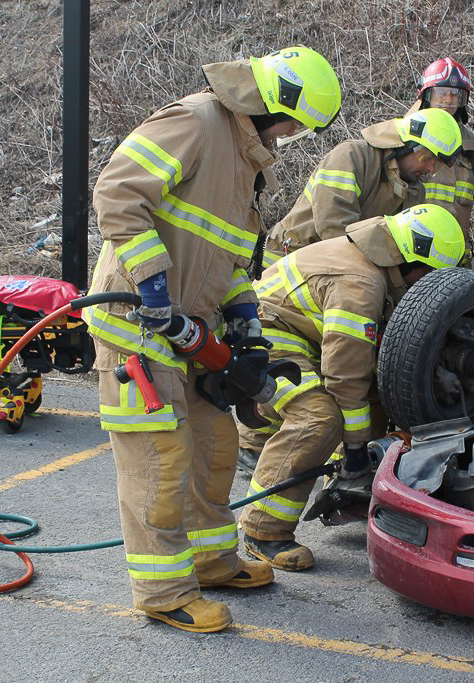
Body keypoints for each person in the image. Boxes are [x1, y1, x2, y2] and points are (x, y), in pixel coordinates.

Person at [84, 46, 341, 633]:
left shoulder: (246, 160)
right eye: (294, 123)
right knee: (160, 461)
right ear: (272, 103)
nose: (292, 135)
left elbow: (227, 261)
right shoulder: (196, 122)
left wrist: (247, 328)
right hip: (136, 327)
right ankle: (164, 592)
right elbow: (118, 193)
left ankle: (211, 560)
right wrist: (152, 289)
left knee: (215, 447)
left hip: (191, 329)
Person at [237, 204, 465, 571]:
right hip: (264, 341)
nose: (425, 286)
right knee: (318, 419)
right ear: (412, 259)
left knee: (376, 394)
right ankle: (263, 530)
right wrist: (356, 447)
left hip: (299, 337)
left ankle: (351, 486)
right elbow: (345, 374)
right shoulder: (360, 283)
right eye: (428, 276)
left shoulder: (376, 261)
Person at [260, 108, 462, 267]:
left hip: (330, 269)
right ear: (408, 145)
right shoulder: (351, 157)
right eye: (427, 158)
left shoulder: (415, 192)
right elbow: (333, 226)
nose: (430, 169)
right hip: (286, 260)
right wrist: (371, 276)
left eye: (438, 165)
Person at [406, 57, 474, 255]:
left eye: (455, 95)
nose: (448, 101)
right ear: (426, 96)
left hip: (455, 251)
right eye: (441, 93)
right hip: (413, 250)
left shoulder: (469, 143)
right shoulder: (406, 134)